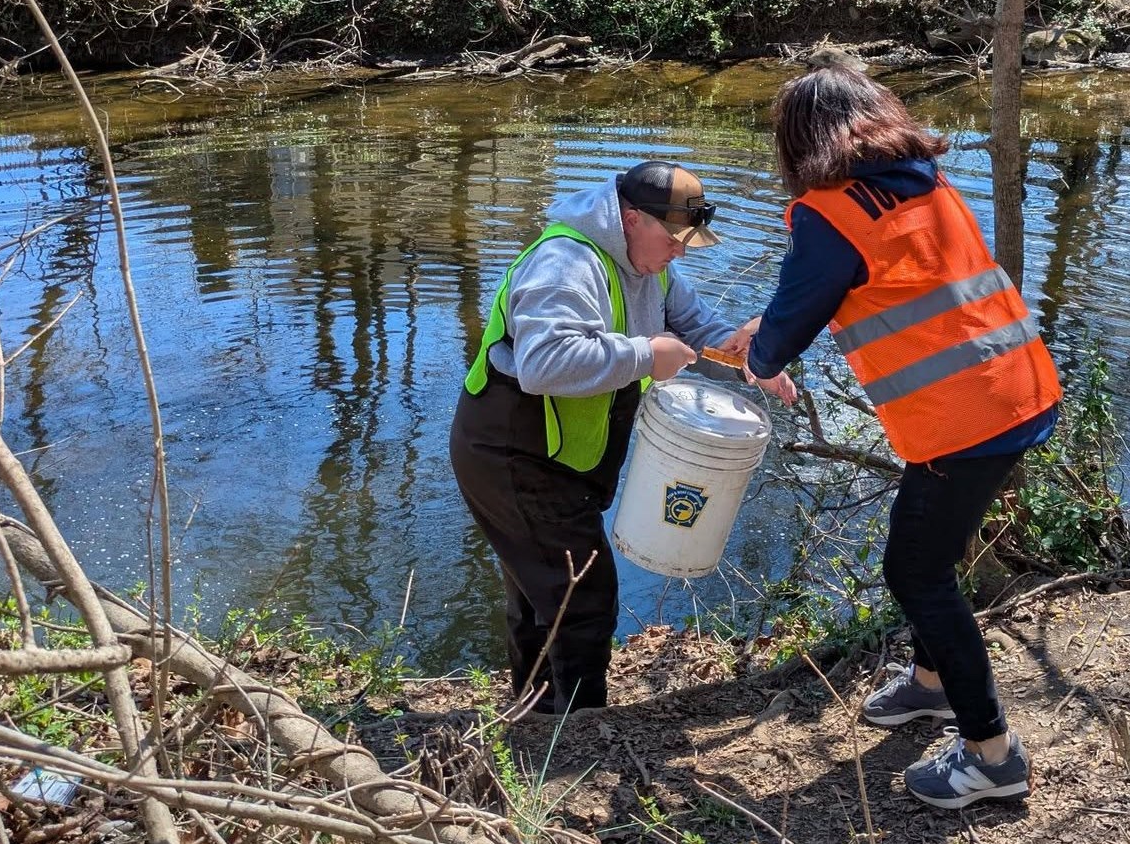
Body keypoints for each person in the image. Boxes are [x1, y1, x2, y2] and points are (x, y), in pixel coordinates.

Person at [728, 67, 1062, 810]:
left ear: (800, 141)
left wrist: (761, 357)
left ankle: (992, 755)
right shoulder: (925, 182)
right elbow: (874, 287)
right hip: (1018, 388)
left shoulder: (828, 213)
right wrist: (773, 331)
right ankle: (931, 684)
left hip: (965, 420)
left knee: (915, 572)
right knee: (929, 555)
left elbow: (792, 320)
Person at [450, 160, 793, 716]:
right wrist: (645, 355)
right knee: (582, 598)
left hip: (564, 456)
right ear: (632, 219)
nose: (681, 252)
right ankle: (579, 730)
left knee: (542, 594)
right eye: (673, 239)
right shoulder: (564, 262)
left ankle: (536, 715)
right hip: (511, 452)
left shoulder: (654, 266)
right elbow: (543, 363)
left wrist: (748, 358)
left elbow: (697, 333)